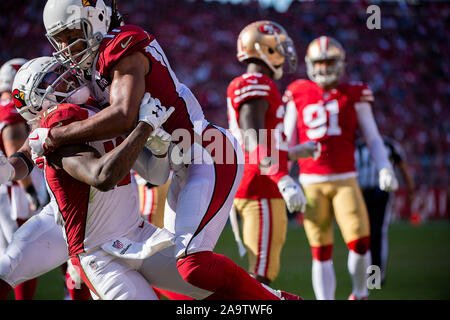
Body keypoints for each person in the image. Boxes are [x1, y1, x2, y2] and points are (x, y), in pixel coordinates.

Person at [29, 0, 299, 300]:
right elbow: (155, 173)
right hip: (180, 165)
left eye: (71, 34)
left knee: (192, 266)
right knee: (174, 281)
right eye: (60, 40)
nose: (67, 46)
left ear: (98, 17)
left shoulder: (121, 45)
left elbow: (122, 115)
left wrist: (55, 136)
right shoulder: (97, 70)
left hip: (207, 153)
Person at [0, 56, 212, 300]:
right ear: (37, 99)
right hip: (82, 232)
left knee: (207, 280)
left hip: (126, 227)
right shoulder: (58, 120)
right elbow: (95, 174)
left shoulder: (99, 104)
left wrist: (157, 148)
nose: (65, 78)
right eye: (52, 78)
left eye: (61, 70)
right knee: (10, 266)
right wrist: (7, 170)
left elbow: (155, 174)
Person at [283, 36, 399, 300]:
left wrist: (384, 167)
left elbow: (373, 137)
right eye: (319, 62)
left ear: (341, 63)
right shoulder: (298, 91)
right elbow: (287, 141)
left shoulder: (355, 92)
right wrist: (283, 178)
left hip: (346, 180)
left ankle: (359, 293)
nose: (324, 68)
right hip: (312, 182)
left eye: (329, 62)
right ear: (310, 64)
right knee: (320, 251)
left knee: (360, 243)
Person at [226, 20, 307, 285]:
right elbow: (252, 138)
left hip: (258, 180)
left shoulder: (257, 83)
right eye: (280, 47)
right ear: (264, 50)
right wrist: (282, 177)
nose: (285, 54)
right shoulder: (256, 83)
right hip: (262, 184)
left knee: (261, 271)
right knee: (260, 277)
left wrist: (293, 153)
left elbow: (263, 141)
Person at [0, 57, 41, 300]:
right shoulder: (11, 107)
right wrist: (29, 190)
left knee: (9, 257)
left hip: (5, 190)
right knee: (22, 257)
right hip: (15, 191)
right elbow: (13, 145)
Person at [355, 136, 415, 284]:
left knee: (377, 234)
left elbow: (401, 166)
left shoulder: (388, 144)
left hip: (380, 193)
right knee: (361, 234)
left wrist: (410, 189)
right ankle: (364, 274)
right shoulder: (355, 145)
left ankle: (375, 277)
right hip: (360, 194)